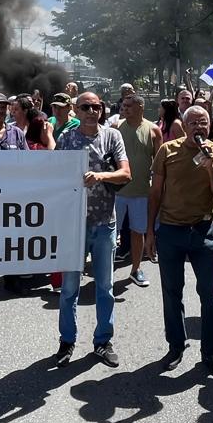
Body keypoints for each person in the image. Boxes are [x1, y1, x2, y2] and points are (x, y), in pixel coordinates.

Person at [147, 105, 213, 380]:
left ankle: (210, 353)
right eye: (193, 122)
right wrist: (150, 231)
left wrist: (209, 167)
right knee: (172, 292)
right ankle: (175, 346)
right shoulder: (167, 150)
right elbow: (155, 192)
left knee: (209, 295)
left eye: (204, 122)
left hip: (204, 231)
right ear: (184, 126)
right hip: (171, 230)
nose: (199, 127)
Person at [54, 92, 131, 367]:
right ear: (76, 110)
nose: (91, 111)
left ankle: (103, 341)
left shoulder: (112, 136)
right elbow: (53, 174)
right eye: (85, 107)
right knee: (69, 288)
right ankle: (67, 340)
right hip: (74, 225)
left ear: (101, 109)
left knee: (105, 287)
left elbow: (126, 173)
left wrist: (100, 176)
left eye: (95, 107)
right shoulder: (66, 138)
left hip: (104, 223)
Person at [113, 94, 162, 286]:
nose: (124, 108)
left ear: (140, 107)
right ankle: (105, 271)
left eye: (128, 105)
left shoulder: (154, 130)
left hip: (141, 193)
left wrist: (158, 191)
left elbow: (159, 165)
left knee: (137, 232)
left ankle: (135, 269)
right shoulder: (116, 127)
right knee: (110, 234)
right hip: (116, 192)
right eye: (123, 105)